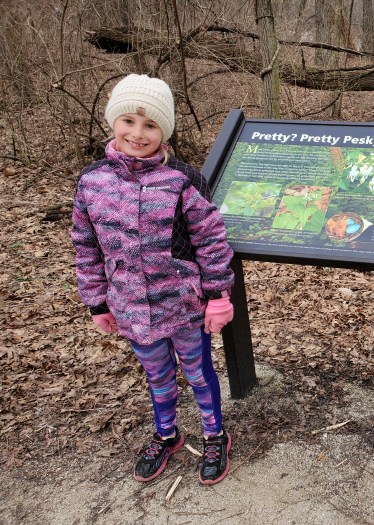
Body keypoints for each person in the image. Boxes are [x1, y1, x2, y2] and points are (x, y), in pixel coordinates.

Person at [71, 74, 235, 485]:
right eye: (128, 121)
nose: (137, 134)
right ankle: (166, 434)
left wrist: (218, 296)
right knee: (157, 375)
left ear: (164, 130)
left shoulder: (182, 179)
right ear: (113, 121)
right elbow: (86, 246)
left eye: (150, 125)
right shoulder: (92, 181)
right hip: (130, 307)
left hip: (183, 307)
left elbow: (210, 240)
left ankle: (215, 434)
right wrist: (97, 302)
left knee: (198, 373)